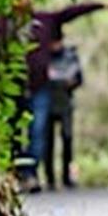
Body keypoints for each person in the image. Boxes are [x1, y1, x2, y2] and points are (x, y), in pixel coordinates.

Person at [0, 0, 108, 192]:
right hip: (11, 87)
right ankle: (15, 174)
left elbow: (72, 12)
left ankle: (31, 174)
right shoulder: (1, 26)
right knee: (13, 132)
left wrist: (101, 5)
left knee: (37, 131)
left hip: (39, 86)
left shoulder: (44, 21)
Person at [43, 35, 84, 190]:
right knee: (48, 142)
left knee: (67, 140)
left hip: (65, 103)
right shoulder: (43, 56)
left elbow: (79, 79)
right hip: (47, 103)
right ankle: (50, 178)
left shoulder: (71, 56)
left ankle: (67, 177)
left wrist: (70, 82)